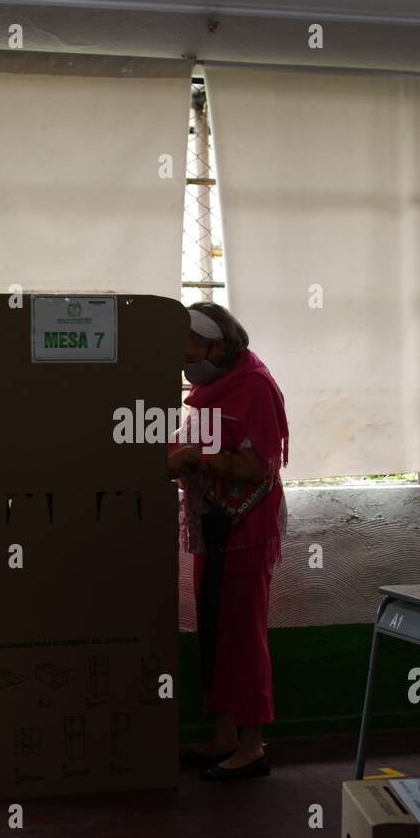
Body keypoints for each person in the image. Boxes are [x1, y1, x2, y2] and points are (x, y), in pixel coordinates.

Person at [168, 302, 289, 781]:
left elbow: (258, 464)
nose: (183, 356)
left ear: (217, 345)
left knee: (242, 633)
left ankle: (252, 745)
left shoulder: (253, 386)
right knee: (215, 630)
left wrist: (199, 458)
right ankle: (222, 734)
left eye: (189, 345)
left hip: (243, 527)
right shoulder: (208, 387)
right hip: (212, 523)